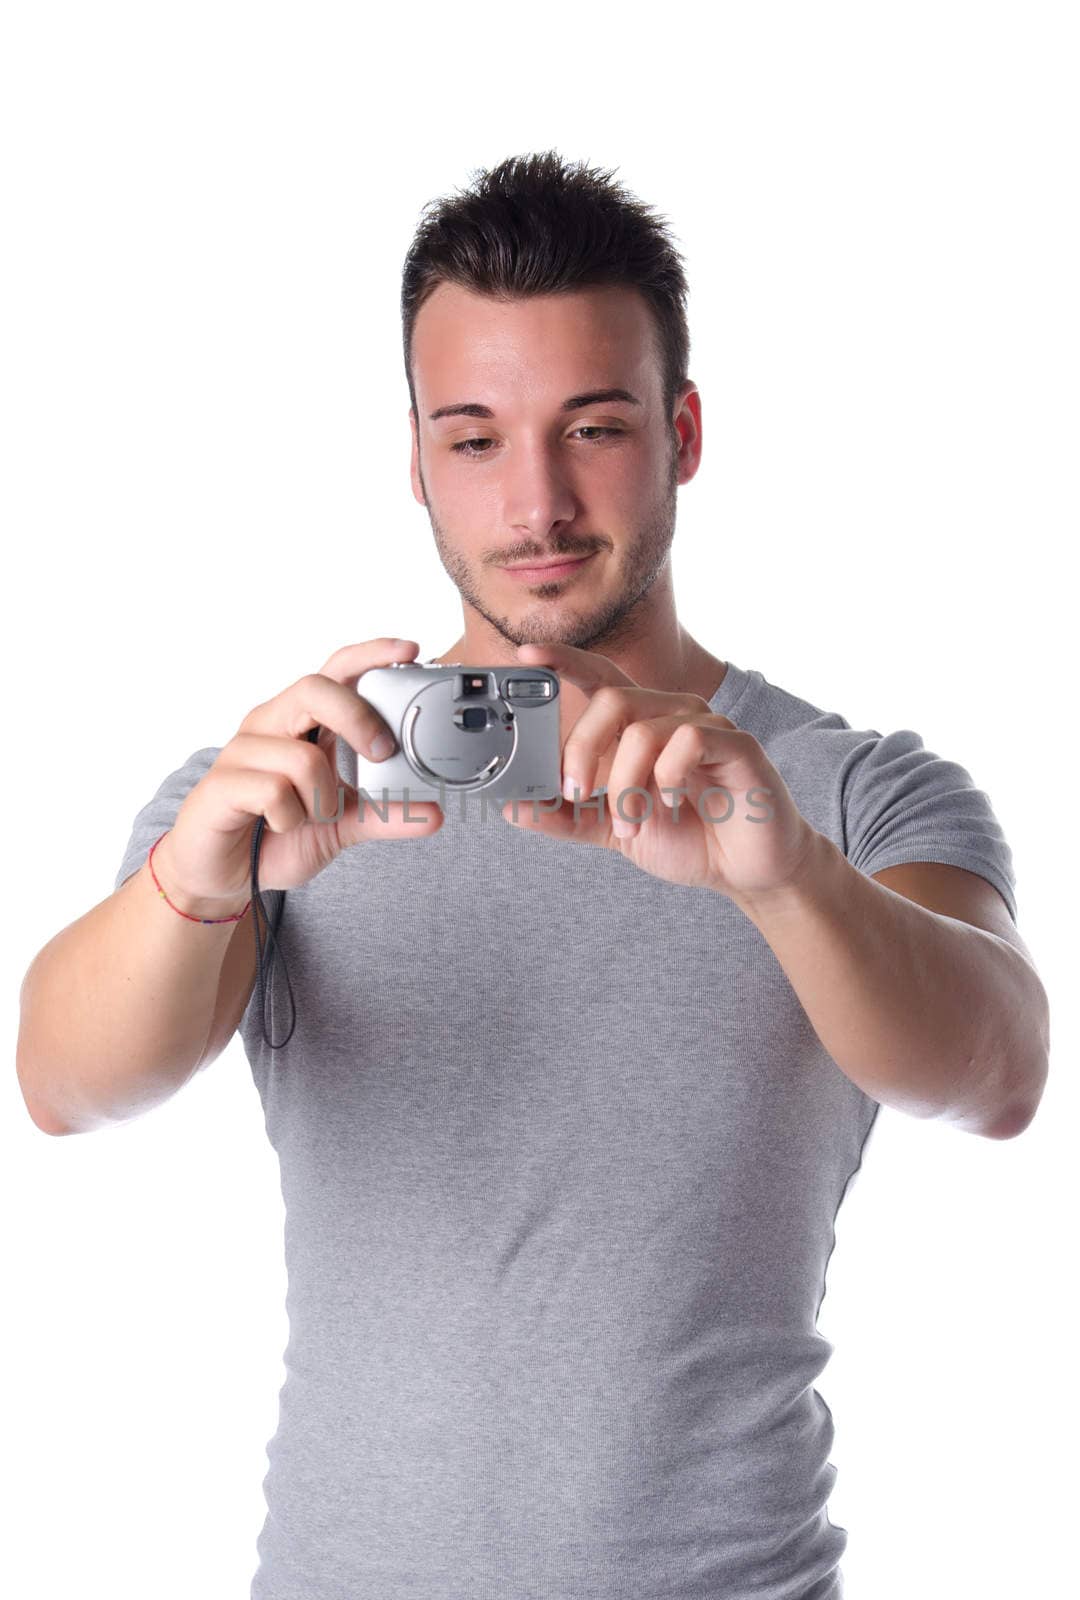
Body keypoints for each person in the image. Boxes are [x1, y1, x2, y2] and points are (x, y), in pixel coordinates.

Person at [17, 149, 1050, 1600]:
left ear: (683, 433)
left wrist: (781, 878)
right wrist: (200, 883)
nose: (541, 502)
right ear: (417, 457)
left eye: (597, 426)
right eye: (477, 437)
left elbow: (999, 1073)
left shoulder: (842, 789)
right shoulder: (298, 779)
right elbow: (63, 1086)